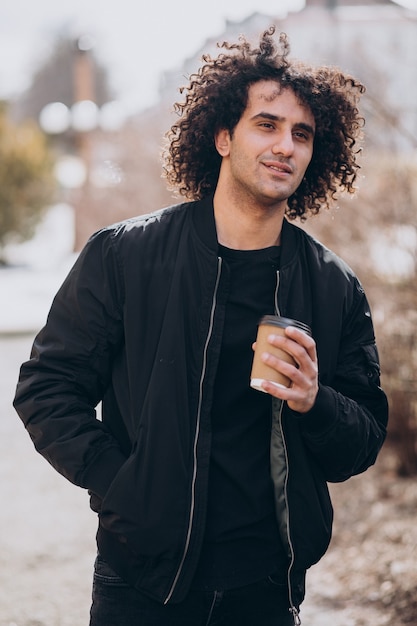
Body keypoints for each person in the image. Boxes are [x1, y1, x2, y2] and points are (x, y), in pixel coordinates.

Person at [14, 27, 388, 626]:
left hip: (266, 586)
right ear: (221, 135)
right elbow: (46, 387)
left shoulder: (331, 284)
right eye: (266, 124)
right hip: (142, 583)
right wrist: (122, 486)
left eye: (301, 134)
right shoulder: (125, 257)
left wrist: (317, 404)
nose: (284, 146)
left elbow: (364, 438)